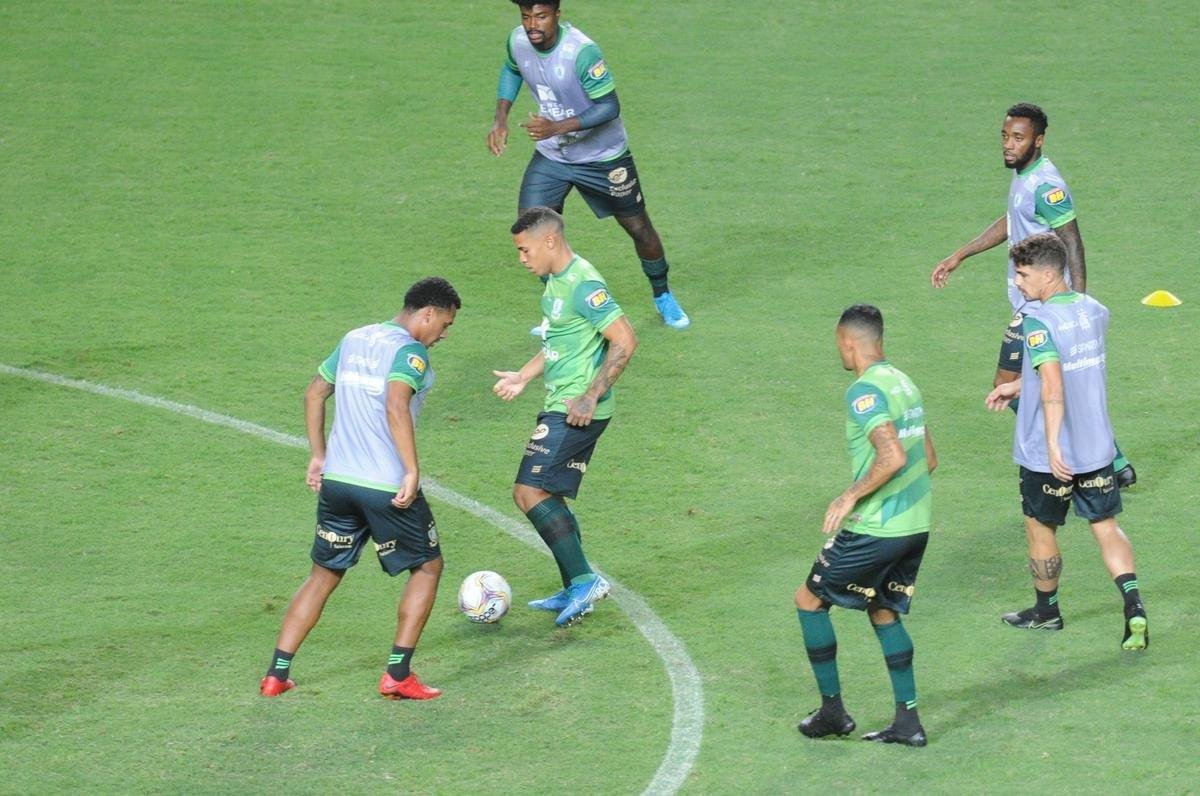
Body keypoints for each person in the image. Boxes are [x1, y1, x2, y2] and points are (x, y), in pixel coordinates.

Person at [260, 277, 462, 700]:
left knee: (322, 575)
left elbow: (315, 393)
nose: (442, 335)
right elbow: (395, 403)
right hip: (384, 485)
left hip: (338, 483)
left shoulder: (354, 338)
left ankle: (276, 674)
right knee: (428, 566)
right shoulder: (411, 352)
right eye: (444, 324)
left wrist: (318, 455)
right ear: (427, 313)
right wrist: (411, 470)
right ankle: (398, 674)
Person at [930, 102, 1136, 487]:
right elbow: (1013, 218)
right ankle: (1113, 463)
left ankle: (1087, 460)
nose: (1009, 144)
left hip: (1044, 308)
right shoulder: (1024, 177)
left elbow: (1073, 241)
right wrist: (961, 254)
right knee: (1038, 384)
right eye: (1005, 136)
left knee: (1013, 383)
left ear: (1038, 141)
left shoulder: (1046, 186)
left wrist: (1077, 304)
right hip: (1033, 303)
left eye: (1019, 138)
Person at [985, 233, 1148, 650]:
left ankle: (1046, 611)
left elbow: (1055, 382)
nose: (1018, 283)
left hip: (1049, 455)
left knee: (1040, 527)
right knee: (1105, 526)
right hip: (1098, 448)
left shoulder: (1037, 322)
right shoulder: (1094, 310)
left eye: (1022, 275)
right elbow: (1077, 369)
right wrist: (1021, 386)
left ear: (1048, 273)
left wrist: (1054, 445)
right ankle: (1133, 606)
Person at [486, 0, 690, 330]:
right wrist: (500, 119)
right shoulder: (518, 41)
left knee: (639, 228)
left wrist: (556, 126)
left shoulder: (581, 52)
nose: (532, 24)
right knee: (531, 230)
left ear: (556, 15)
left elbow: (609, 106)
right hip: (554, 155)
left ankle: (663, 295)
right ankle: (561, 309)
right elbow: (512, 68)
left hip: (603, 157)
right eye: (526, 17)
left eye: (541, 16)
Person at [794, 305, 937, 748]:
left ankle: (833, 712)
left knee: (809, 601)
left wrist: (850, 495)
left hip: (877, 527)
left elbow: (892, 456)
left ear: (848, 342)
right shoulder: (904, 382)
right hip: (916, 524)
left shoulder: (865, 392)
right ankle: (908, 722)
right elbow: (928, 459)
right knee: (882, 610)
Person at [492, 206, 638, 626]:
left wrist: (591, 396)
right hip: (561, 402)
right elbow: (559, 343)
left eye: (525, 250)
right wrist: (523, 375)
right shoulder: (553, 283)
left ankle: (584, 580)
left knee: (528, 492)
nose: (521, 259)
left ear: (550, 241)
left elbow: (625, 339)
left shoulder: (583, 283)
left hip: (576, 410)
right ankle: (576, 584)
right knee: (545, 494)